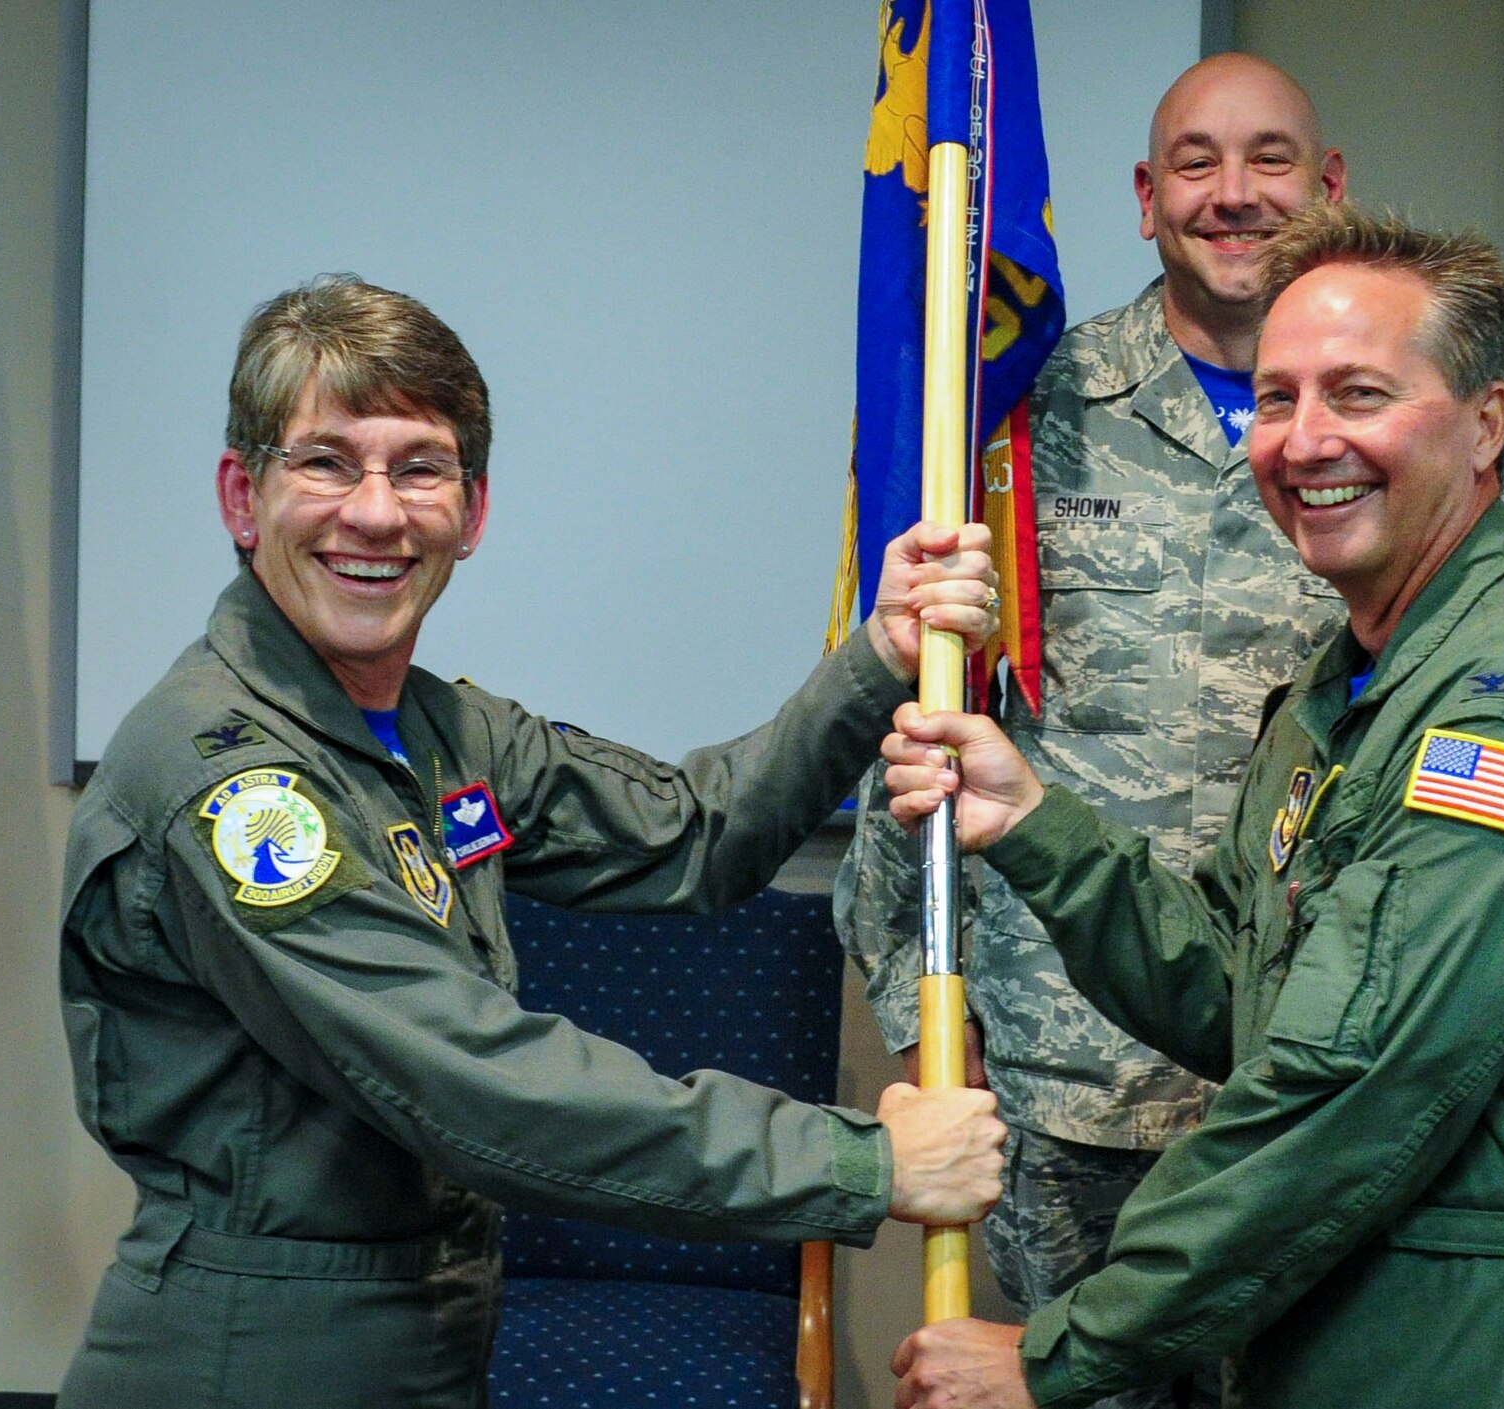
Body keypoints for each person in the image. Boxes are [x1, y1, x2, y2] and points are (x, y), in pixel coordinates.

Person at [56, 275, 1008, 1408]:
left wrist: (878, 657)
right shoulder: (230, 778)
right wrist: (860, 1162)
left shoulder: (438, 730)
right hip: (259, 1351)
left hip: (426, 1326)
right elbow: (475, 1082)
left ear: (472, 506)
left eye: (419, 465)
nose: (375, 510)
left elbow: (694, 832)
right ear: (241, 496)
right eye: (325, 460)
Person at [881, 206, 1504, 1409]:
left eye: (1358, 394)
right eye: (1275, 398)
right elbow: (1243, 992)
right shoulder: (1352, 681)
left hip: (1495, 1357)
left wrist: (1068, 1349)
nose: (1304, 441)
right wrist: (1033, 826)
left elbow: (1345, 1089)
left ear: (1485, 425)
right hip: (1359, 1338)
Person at [836, 56, 1348, 1402]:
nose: (1234, 195)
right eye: (1196, 161)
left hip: (1296, 1089)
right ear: (1142, 196)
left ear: (1330, 185)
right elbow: (922, 726)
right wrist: (923, 1020)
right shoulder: (1015, 412)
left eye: (1271, 158)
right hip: (1072, 1096)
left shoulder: (1378, 430)